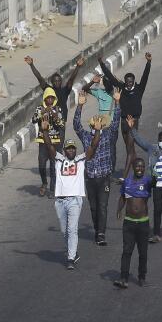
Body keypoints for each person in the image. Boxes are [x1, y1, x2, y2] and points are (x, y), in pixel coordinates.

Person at [41, 117, 102, 269]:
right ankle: (73, 253)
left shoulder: (81, 160)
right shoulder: (59, 160)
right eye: (68, 148)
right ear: (64, 150)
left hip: (75, 200)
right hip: (60, 201)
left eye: (73, 148)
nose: (71, 150)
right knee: (64, 231)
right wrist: (45, 131)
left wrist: (98, 131)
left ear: (76, 150)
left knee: (72, 229)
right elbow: (49, 146)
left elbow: (93, 147)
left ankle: (70, 259)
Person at [74, 88, 122, 246]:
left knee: (103, 206)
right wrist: (80, 106)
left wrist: (117, 102)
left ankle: (101, 233)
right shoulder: (86, 136)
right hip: (90, 177)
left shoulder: (108, 135)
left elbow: (115, 122)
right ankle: (97, 229)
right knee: (94, 207)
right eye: (96, 122)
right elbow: (76, 126)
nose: (98, 123)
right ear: (93, 125)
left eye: (100, 122)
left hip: (104, 178)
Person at [98, 53, 151, 178]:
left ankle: (125, 176)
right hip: (123, 122)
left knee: (130, 147)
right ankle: (139, 172)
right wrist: (101, 63)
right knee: (129, 149)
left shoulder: (139, 88)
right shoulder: (121, 87)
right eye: (127, 82)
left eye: (130, 82)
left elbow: (145, 76)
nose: (128, 84)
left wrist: (148, 63)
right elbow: (110, 77)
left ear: (133, 81)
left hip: (133, 122)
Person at [113, 158, 156, 288]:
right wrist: (119, 209)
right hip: (129, 223)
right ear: (133, 167)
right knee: (127, 251)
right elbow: (122, 198)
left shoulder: (148, 180)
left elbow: (154, 183)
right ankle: (123, 278)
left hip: (143, 223)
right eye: (137, 166)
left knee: (143, 253)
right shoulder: (126, 182)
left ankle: (142, 277)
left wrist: (155, 176)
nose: (140, 169)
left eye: (142, 167)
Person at [24, 55, 85, 127]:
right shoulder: (49, 90)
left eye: (59, 81)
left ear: (61, 81)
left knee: (61, 137)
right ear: (52, 82)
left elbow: (71, 79)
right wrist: (31, 65)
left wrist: (78, 66)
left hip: (61, 119)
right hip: (50, 120)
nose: (57, 82)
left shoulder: (65, 90)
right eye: (55, 81)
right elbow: (39, 78)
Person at [31, 86, 66, 197]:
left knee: (53, 166)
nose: (50, 100)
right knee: (41, 164)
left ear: (54, 99)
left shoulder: (58, 109)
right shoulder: (40, 108)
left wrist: (55, 116)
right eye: (48, 98)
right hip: (43, 140)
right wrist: (43, 113)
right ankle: (44, 183)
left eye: (52, 98)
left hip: (55, 141)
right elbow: (33, 120)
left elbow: (62, 124)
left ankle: (52, 189)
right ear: (45, 99)